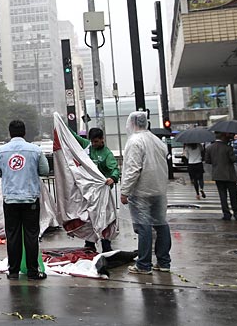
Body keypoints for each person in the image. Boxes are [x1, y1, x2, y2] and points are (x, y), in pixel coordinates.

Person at [0, 119, 49, 281]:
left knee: (12, 235)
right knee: (31, 235)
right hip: (30, 199)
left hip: (10, 200)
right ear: (24, 132)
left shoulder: (0, 152)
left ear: (10, 133)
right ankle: (32, 271)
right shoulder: (35, 150)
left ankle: (14, 271)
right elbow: (44, 170)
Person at [120, 111, 172, 275]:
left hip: (141, 191)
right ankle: (164, 262)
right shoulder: (156, 140)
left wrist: (125, 191)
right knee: (161, 224)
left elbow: (133, 169)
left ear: (132, 123)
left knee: (144, 228)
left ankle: (144, 264)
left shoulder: (135, 141)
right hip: (158, 190)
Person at [70, 127, 120, 252]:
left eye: (96, 141)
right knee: (89, 218)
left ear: (102, 139)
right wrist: (61, 124)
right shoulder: (87, 147)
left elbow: (114, 168)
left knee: (104, 218)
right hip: (89, 192)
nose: (94, 144)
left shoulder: (107, 154)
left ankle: (106, 243)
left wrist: (112, 178)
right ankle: (89, 243)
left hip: (102, 194)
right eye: (92, 141)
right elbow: (74, 136)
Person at [205, 133, 237, 220]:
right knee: (233, 195)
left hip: (218, 174)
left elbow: (207, 160)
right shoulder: (228, 147)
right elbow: (233, 159)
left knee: (222, 195)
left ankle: (226, 214)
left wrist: (216, 162)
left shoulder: (209, 148)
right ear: (222, 137)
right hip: (229, 174)